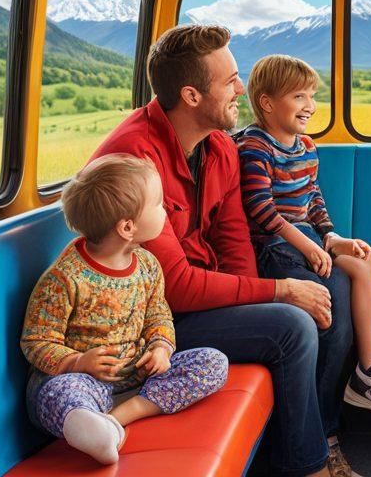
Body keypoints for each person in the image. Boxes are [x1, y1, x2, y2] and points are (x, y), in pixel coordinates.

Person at [91, 25, 356, 477]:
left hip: (204, 296)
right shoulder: (135, 160)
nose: (241, 89)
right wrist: (279, 292)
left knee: (334, 285)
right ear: (192, 96)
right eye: (230, 80)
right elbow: (173, 287)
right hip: (153, 324)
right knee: (293, 324)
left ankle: (316, 437)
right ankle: (306, 466)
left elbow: (234, 241)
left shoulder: (218, 147)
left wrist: (269, 290)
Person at [236, 54, 371, 422]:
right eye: (299, 96)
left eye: (311, 96)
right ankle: (319, 421)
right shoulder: (255, 147)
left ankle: (370, 368)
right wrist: (309, 245)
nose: (310, 106)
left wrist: (332, 237)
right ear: (267, 103)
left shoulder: (307, 147)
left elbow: (313, 199)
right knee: (332, 304)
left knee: (368, 259)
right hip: (273, 247)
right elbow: (259, 209)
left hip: (307, 239)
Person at [21, 154, 228, 465]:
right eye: (158, 204)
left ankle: (121, 416)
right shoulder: (64, 279)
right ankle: (90, 424)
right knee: (56, 393)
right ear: (128, 227)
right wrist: (77, 361)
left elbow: (158, 314)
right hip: (84, 381)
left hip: (137, 379)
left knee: (213, 362)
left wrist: (160, 347)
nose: (166, 209)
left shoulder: (147, 265)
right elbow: (36, 342)